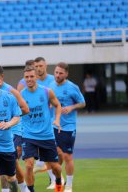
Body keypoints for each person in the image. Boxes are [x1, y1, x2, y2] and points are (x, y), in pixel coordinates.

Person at [20, 66, 63, 192]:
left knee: (56, 167)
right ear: (24, 78)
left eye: (32, 76)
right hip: (28, 135)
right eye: (27, 77)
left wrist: (57, 119)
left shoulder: (46, 91)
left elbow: (58, 105)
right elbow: (15, 113)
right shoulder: (21, 95)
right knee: (28, 165)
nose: (29, 79)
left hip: (46, 135)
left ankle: (59, 183)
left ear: (36, 77)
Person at [0, 65, 30, 192]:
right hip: (0, 133)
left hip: (14, 131)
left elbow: (25, 109)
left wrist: (10, 120)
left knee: (11, 165)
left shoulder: (11, 91)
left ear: (1, 77)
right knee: (7, 166)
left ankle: (23, 189)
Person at [49, 62, 85, 192]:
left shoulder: (72, 87)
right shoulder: (51, 86)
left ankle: (69, 185)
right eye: (56, 72)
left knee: (67, 156)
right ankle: (58, 180)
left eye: (60, 73)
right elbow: (50, 101)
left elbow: (82, 103)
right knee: (55, 155)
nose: (57, 75)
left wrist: (72, 107)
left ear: (66, 74)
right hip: (54, 125)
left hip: (68, 127)